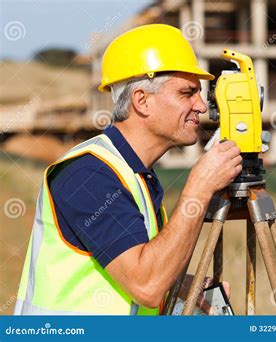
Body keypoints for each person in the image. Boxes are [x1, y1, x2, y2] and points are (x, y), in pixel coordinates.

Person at [14, 24, 242, 315]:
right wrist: (199, 188)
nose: (201, 106)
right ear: (142, 101)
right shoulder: (89, 174)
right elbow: (146, 286)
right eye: (187, 93)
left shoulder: (137, 177)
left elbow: (129, 270)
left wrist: (181, 285)